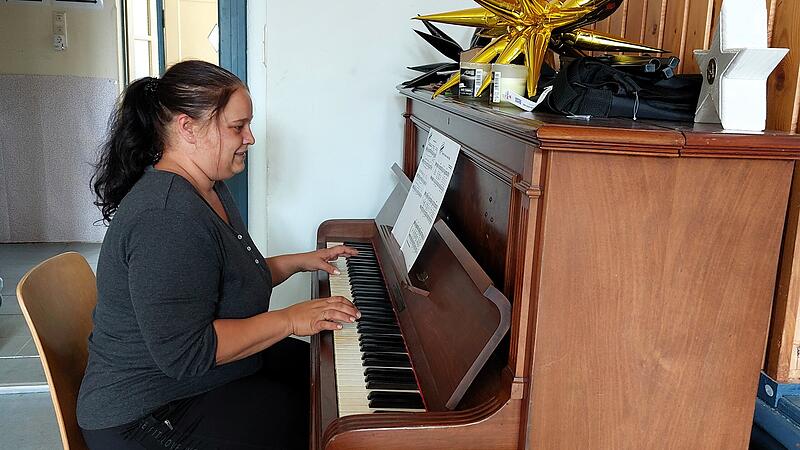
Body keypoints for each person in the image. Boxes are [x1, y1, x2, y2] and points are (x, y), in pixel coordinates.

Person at [77, 60, 360, 450]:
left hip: (193, 380)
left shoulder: (208, 187)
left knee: (329, 380)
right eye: (237, 127)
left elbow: (224, 279)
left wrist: (294, 263)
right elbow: (188, 352)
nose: (251, 138)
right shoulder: (166, 216)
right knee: (308, 419)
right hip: (146, 412)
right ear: (187, 128)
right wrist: (291, 319)